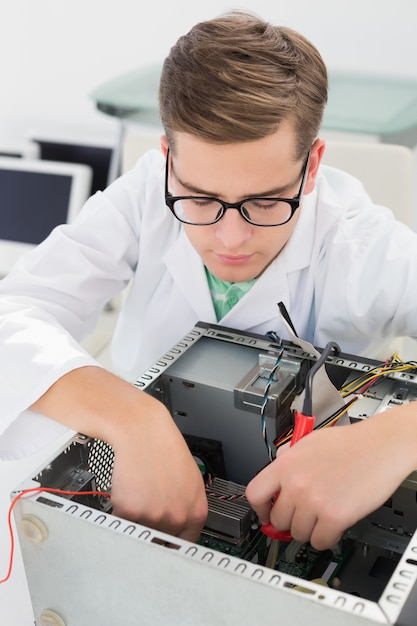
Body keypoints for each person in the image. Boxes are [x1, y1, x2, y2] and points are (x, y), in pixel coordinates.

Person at [1, 9, 417, 551]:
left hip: (309, 513)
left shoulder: (367, 247)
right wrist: (134, 419)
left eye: (265, 202)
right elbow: (15, 312)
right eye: (199, 199)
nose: (230, 239)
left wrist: (391, 439)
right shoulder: (147, 193)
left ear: (312, 166)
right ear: (168, 160)